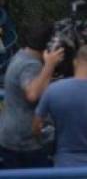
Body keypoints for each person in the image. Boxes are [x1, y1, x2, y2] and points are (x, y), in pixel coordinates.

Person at [0, 24, 64, 169]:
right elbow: (33, 94)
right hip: (23, 141)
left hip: (11, 137)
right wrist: (49, 65)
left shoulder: (22, 55)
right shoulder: (30, 65)